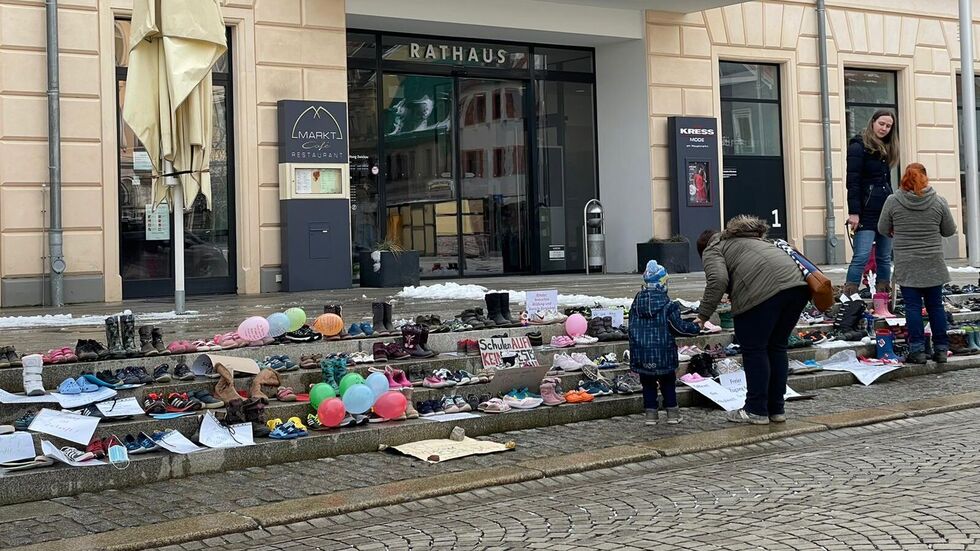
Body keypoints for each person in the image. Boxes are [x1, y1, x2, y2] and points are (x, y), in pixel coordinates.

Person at [695, 216, 809, 425]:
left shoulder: (713, 248)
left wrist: (702, 316)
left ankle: (756, 410)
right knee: (777, 347)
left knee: (755, 350)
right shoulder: (756, 240)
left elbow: (718, 279)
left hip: (763, 293)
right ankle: (776, 409)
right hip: (798, 289)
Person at [877, 163, 956, 364]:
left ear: (905, 178)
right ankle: (940, 349)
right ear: (925, 178)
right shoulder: (939, 202)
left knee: (912, 307)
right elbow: (949, 230)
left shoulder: (893, 201)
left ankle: (917, 351)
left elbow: (882, 228)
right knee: (936, 307)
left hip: (907, 263)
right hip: (933, 263)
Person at [627, 260, 699, 426]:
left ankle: (650, 415)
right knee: (668, 382)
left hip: (642, 352)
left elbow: (630, 328)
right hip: (663, 352)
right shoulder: (668, 305)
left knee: (647, 384)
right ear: (662, 283)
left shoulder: (636, 304)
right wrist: (695, 328)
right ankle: (672, 413)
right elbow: (678, 328)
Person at [844, 109, 900, 297]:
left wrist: (893, 210)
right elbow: (853, 182)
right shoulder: (858, 146)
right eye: (881, 124)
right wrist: (854, 213)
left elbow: (886, 183)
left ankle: (883, 296)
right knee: (860, 256)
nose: (884, 128)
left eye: (888, 126)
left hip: (885, 211)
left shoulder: (885, 148)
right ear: (873, 122)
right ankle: (850, 293)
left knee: (884, 257)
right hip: (865, 212)